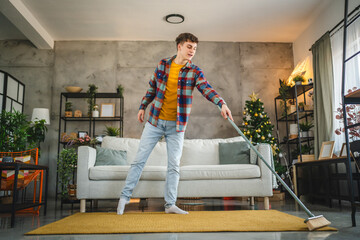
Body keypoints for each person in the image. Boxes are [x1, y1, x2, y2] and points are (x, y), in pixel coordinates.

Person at [117, 33, 233, 215]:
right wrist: (142, 106)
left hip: (176, 126)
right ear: (179, 46)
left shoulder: (194, 71)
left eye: (194, 48)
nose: (192, 51)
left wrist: (222, 103)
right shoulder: (163, 64)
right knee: (139, 160)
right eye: (189, 47)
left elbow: (206, 88)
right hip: (155, 122)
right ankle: (124, 198)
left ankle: (170, 204)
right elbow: (152, 88)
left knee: (174, 166)